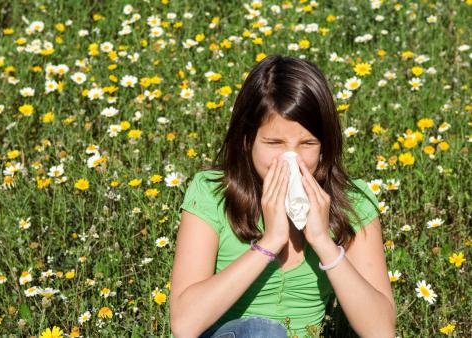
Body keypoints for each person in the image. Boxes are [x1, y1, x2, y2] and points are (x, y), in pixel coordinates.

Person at [169, 55, 396, 338]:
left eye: (307, 144)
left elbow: (381, 331)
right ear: (246, 141)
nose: (291, 158)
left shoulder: (353, 202)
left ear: (324, 146)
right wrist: (270, 242)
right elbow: (184, 324)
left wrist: (324, 243)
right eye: (274, 143)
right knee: (261, 332)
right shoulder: (212, 192)